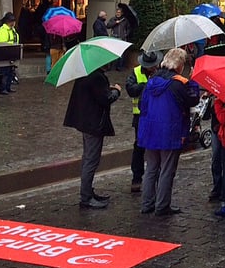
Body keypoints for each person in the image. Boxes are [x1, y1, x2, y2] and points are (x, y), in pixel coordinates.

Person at [138, 48, 199, 217]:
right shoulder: (178, 84)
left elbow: (142, 106)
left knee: (151, 168)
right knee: (166, 169)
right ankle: (162, 205)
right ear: (179, 65)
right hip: (170, 132)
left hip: (150, 131)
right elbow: (193, 99)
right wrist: (193, 80)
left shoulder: (151, 81)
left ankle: (147, 203)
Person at [63, 66, 122, 209]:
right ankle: (86, 196)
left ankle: (88, 192)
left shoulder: (85, 75)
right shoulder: (96, 77)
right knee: (91, 160)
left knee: (88, 158)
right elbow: (105, 98)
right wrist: (116, 91)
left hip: (85, 122)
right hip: (93, 123)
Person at [125, 50, 162, 193]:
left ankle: (156, 176)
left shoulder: (160, 72)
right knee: (139, 148)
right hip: (140, 117)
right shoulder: (136, 72)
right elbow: (130, 89)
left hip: (156, 115)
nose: (153, 67)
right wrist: (146, 86)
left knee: (157, 147)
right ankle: (137, 177)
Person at [0, 12, 19, 95]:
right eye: (11, 21)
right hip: (5, 54)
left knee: (10, 72)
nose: (13, 23)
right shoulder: (3, 30)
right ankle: (3, 88)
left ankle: (8, 87)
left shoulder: (12, 30)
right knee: (5, 72)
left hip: (12, 53)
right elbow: (2, 43)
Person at [107, 6, 133, 70]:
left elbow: (128, 28)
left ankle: (120, 67)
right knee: (113, 52)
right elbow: (108, 26)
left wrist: (125, 34)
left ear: (121, 13)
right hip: (114, 38)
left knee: (122, 53)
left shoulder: (125, 20)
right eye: (117, 12)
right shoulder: (113, 19)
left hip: (122, 39)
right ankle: (113, 67)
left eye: (119, 12)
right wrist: (115, 23)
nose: (118, 13)